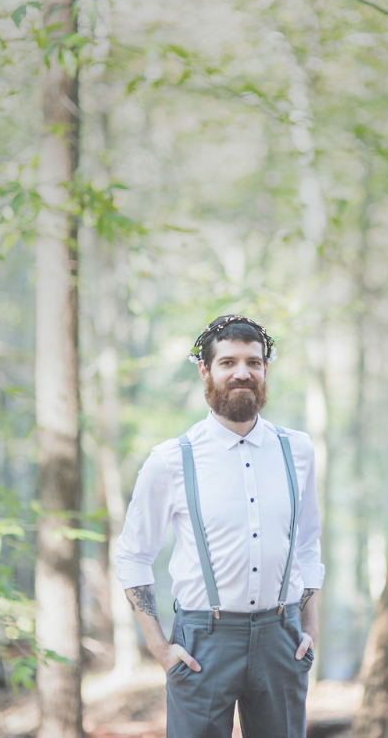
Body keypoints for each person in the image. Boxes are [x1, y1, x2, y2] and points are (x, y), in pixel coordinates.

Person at [116, 314, 325, 738]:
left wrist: (310, 629)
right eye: (228, 362)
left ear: (266, 369)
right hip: (202, 642)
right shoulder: (171, 459)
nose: (242, 373)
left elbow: (307, 544)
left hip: (281, 637)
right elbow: (134, 555)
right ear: (205, 370)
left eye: (254, 362)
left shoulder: (298, 451)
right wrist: (158, 646)